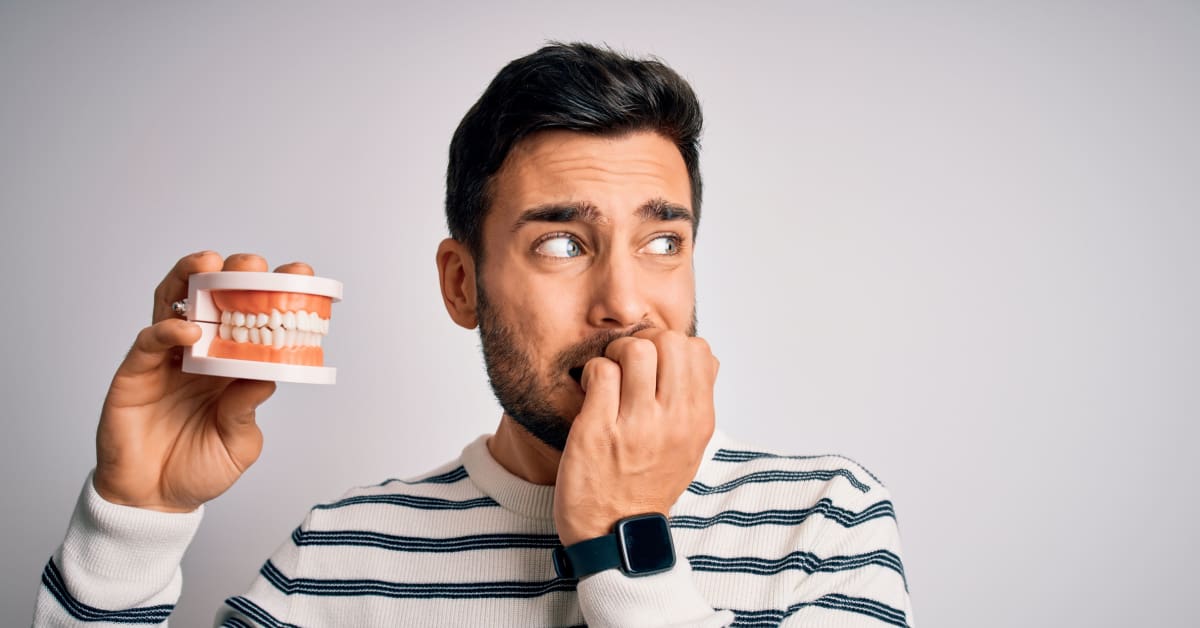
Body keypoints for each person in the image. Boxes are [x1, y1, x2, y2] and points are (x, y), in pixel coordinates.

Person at [34, 42, 913, 627]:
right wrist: (131, 528)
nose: (625, 304)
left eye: (661, 242)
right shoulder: (339, 557)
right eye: (562, 243)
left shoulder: (824, 521)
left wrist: (622, 536)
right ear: (463, 284)